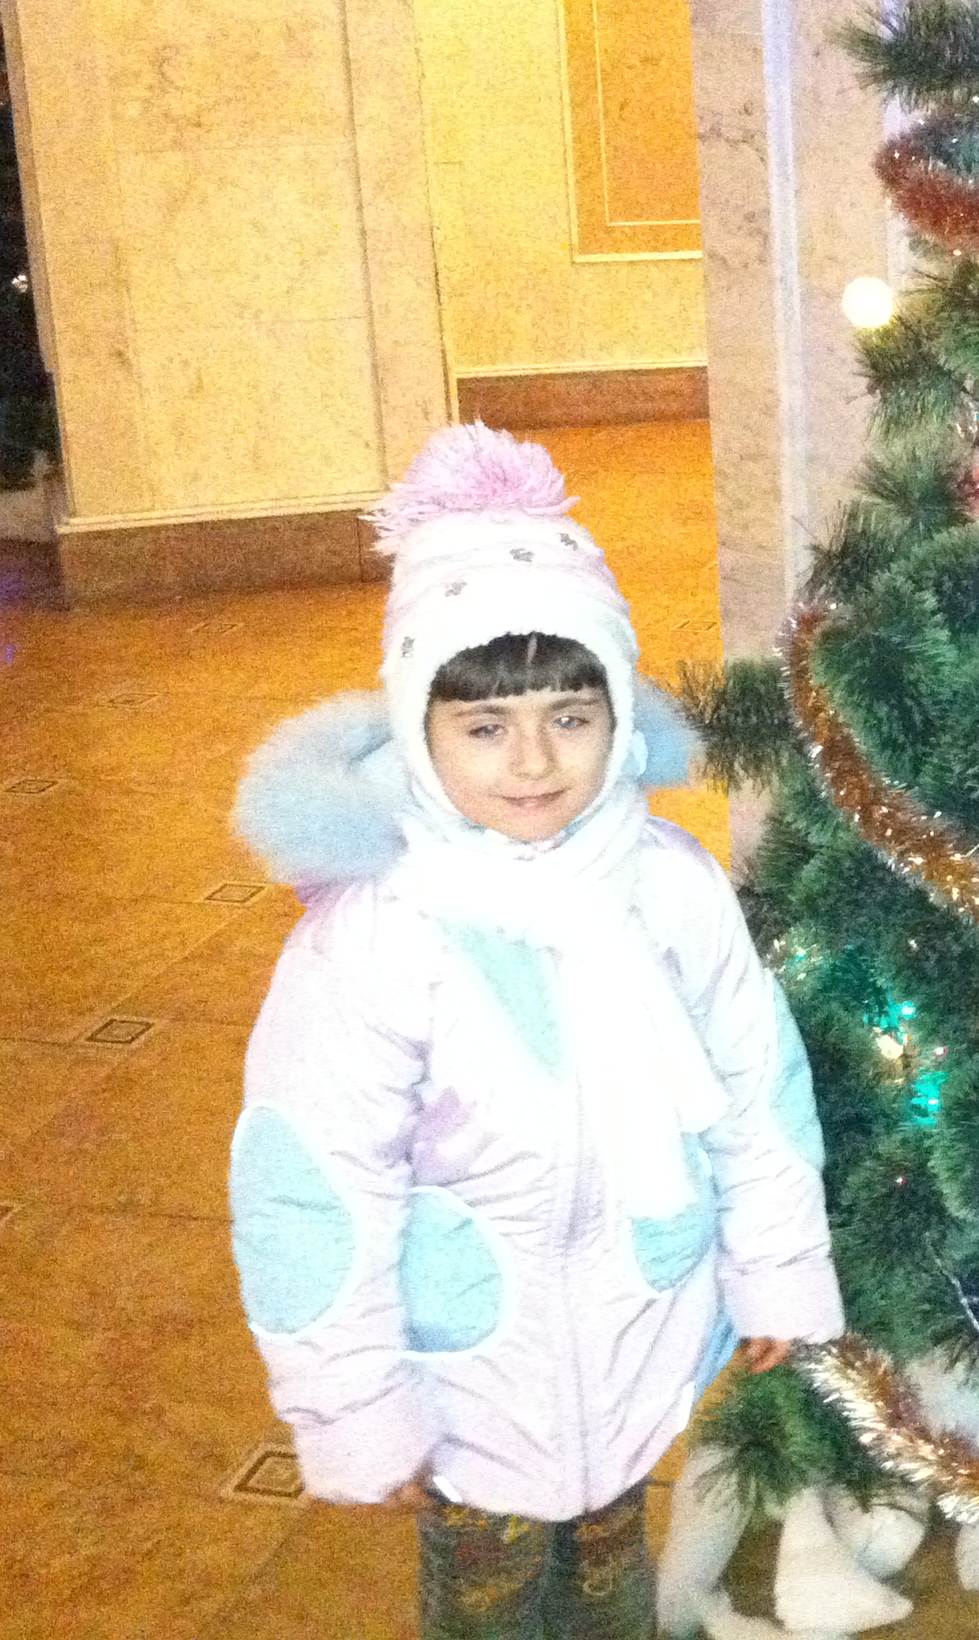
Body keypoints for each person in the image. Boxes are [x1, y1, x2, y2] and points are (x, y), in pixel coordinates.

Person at [226, 424, 841, 1640]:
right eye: (484, 725)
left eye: (571, 715)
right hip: (470, 1364)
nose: (532, 762)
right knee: (490, 1606)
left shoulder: (666, 883)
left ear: (618, 714)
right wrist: (357, 1403)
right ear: (419, 724)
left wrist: (776, 1268)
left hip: (634, 1329)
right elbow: (314, 1187)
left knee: (611, 1573)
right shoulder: (381, 931)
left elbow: (754, 1083)